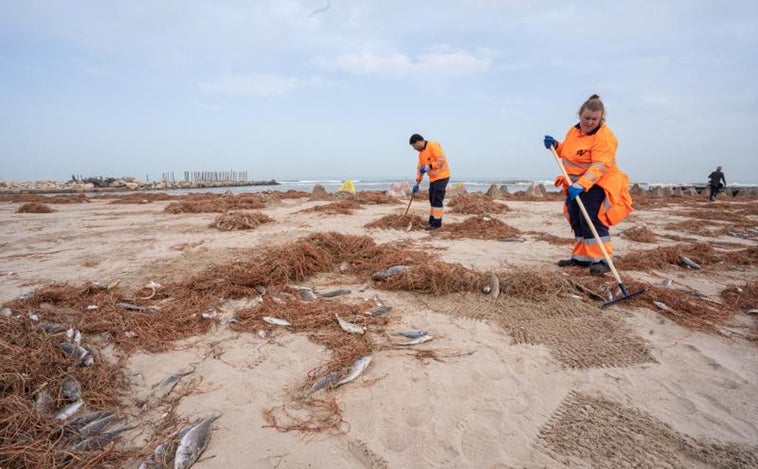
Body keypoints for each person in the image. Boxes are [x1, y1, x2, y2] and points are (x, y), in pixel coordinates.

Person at [543, 94, 633, 274]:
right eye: (587, 118)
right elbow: (571, 153)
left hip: (599, 182)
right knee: (576, 218)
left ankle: (602, 260)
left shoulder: (604, 137)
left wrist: (582, 185)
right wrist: (556, 145)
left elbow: (600, 165)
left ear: (601, 119)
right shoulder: (573, 131)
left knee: (592, 218)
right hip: (576, 182)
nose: (590, 122)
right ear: (579, 115)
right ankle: (581, 259)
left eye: (594, 119)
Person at [409, 133, 450, 230]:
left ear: (419, 141)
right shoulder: (421, 154)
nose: (414, 148)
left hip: (442, 175)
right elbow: (420, 168)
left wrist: (429, 166)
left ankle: (436, 224)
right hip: (433, 178)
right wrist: (418, 182)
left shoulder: (432, 145)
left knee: (437, 199)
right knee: (432, 199)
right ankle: (432, 221)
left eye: (414, 146)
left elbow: (441, 160)